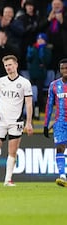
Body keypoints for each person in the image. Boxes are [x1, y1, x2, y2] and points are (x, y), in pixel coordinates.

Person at [0, 55, 33, 187]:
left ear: (16, 65)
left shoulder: (25, 83)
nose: (8, 68)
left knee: (12, 152)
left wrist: (29, 122)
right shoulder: (0, 81)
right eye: (6, 66)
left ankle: (8, 180)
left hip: (16, 122)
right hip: (1, 121)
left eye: (10, 65)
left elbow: (28, 104)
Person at [44, 58, 67, 187]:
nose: (64, 71)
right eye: (62, 68)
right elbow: (49, 105)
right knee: (60, 148)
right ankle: (62, 176)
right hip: (60, 122)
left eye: (66, 68)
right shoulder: (54, 85)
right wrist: (46, 125)